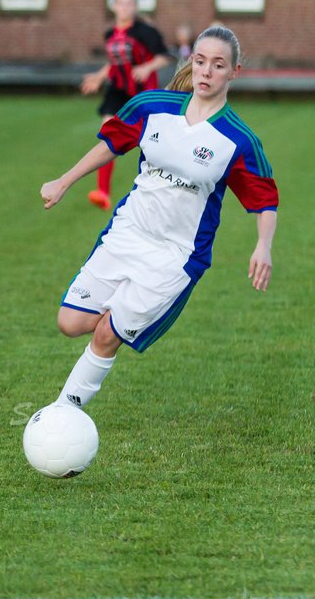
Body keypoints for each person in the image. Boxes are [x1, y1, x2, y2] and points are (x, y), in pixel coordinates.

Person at [40, 25, 278, 410]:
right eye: (200, 61)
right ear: (191, 63)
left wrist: (263, 246)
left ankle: (65, 412)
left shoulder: (238, 140)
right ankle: (120, 315)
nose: (206, 72)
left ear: (234, 72)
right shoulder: (153, 106)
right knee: (69, 323)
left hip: (176, 256)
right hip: (127, 233)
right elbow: (110, 143)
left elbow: (265, 201)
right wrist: (64, 181)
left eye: (218, 65)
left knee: (106, 335)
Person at [78, 0, 174, 210]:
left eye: (130, 3)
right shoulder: (110, 35)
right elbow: (115, 62)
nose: (125, 7)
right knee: (107, 132)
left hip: (142, 92)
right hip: (117, 90)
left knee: (150, 142)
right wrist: (99, 77)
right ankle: (102, 192)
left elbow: (165, 57)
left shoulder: (146, 32)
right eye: (121, 3)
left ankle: (162, 189)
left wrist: (147, 67)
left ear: (135, 7)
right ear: (114, 6)